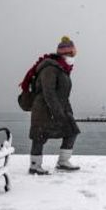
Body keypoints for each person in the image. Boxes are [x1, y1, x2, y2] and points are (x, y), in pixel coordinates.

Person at [28, 36, 81, 174]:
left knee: (72, 131)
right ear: (66, 54)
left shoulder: (63, 69)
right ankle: (35, 166)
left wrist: (67, 111)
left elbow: (63, 94)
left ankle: (63, 161)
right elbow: (48, 92)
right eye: (72, 54)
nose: (74, 56)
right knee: (39, 136)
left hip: (59, 108)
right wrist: (57, 112)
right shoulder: (50, 68)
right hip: (43, 109)